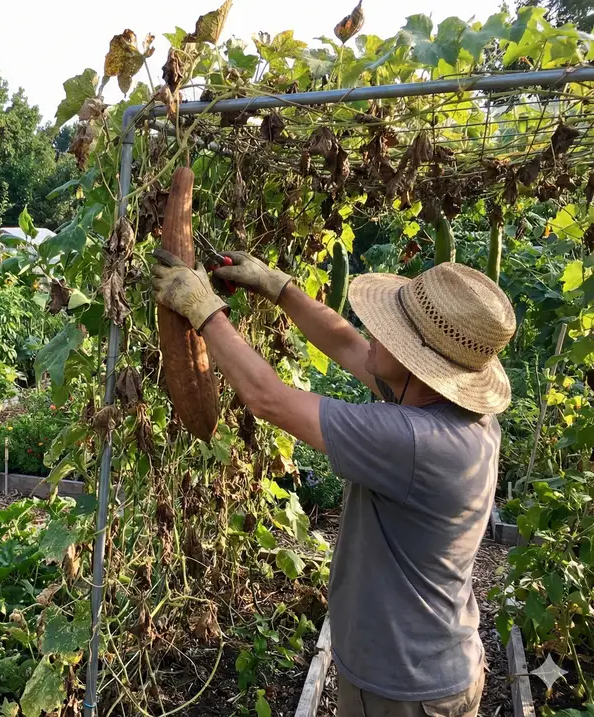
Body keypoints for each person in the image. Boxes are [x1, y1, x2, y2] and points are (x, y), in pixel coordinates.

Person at [150, 249, 516, 717]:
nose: (373, 334)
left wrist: (204, 311)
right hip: (443, 664)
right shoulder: (460, 413)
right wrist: (277, 287)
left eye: (391, 332)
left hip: (401, 690)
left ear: (417, 362)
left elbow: (269, 399)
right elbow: (347, 344)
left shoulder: (414, 441)